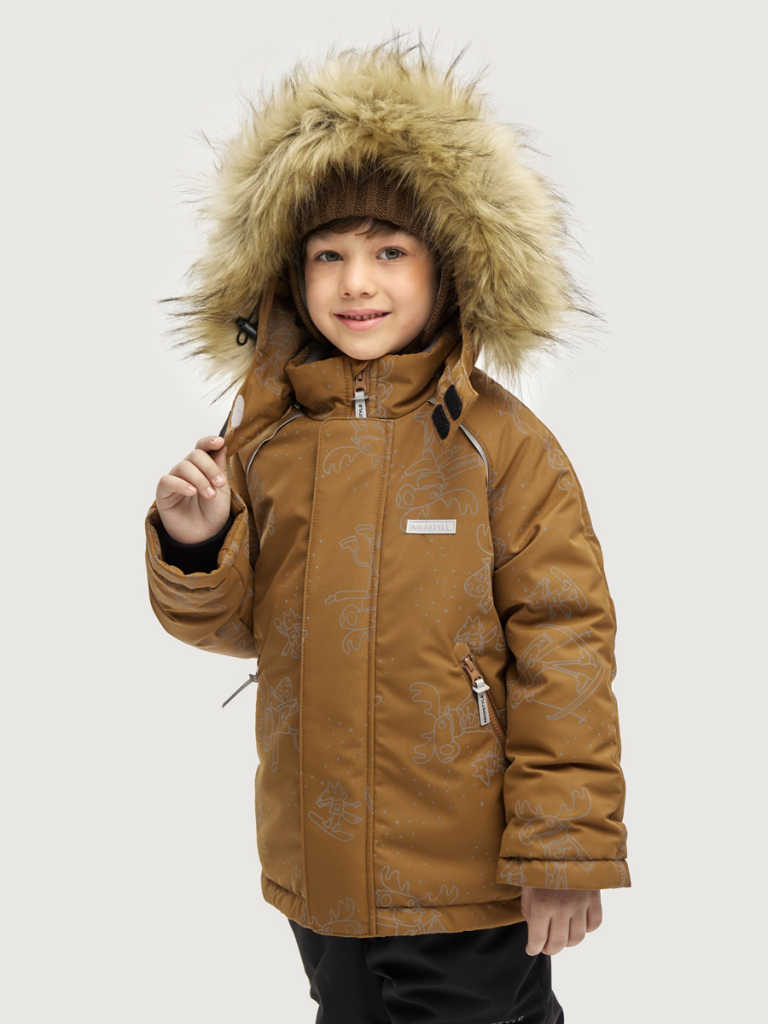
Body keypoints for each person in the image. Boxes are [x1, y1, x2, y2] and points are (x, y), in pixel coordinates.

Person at [145, 38, 630, 1024]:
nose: (355, 282)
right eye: (328, 254)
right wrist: (198, 543)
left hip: (466, 875)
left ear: (450, 266)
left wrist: (564, 849)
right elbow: (242, 627)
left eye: (389, 252)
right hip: (319, 867)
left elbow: (566, 645)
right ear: (290, 274)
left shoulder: (501, 446)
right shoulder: (268, 443)